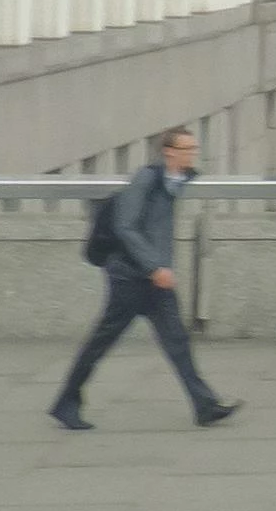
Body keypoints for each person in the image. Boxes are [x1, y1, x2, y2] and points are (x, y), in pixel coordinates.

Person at [51, 129, 239, 430]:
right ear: (168, 152)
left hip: (155, 280)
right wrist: (154, 267)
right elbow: (126, 226)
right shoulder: (146, 179)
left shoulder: (174, 180)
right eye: (186, 148)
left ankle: (205, 406)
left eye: (194, 148)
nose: (192, 154)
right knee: (100, 343)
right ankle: (66, 404)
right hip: (130, 276)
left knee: (177, 341)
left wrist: (157, 270)